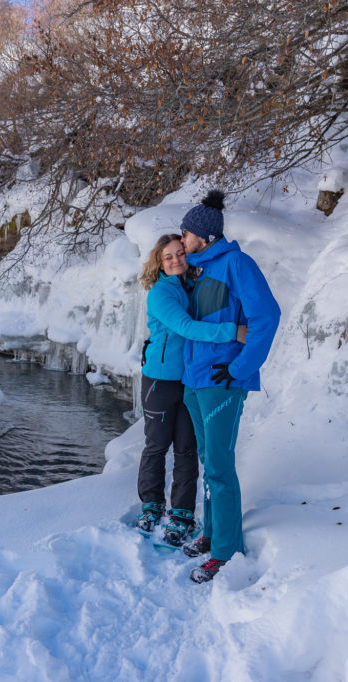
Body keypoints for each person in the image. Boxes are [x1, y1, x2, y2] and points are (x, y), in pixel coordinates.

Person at [178, 190, 281, 583]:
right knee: (209, 461)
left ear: (204, 237)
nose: (182, 240)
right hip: (196, 380)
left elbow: (267, 317)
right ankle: (211, 532)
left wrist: (239, 369)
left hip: (222, 380)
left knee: (219, 465)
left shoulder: (237, 264)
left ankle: (226, 551)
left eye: (186, 234)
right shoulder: (199, 269)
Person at [136, 234, 247, 546]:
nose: (175, 260)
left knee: (186, 448)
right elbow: (185, 327)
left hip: (189, 380)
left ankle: (182, 512)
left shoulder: (193, 287)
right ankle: (151, 505)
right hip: (159, 379)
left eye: (180, 253)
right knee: (157, 444)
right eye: (168, 256)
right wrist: (232, 332)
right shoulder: (160, 293)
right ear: (159, 261)